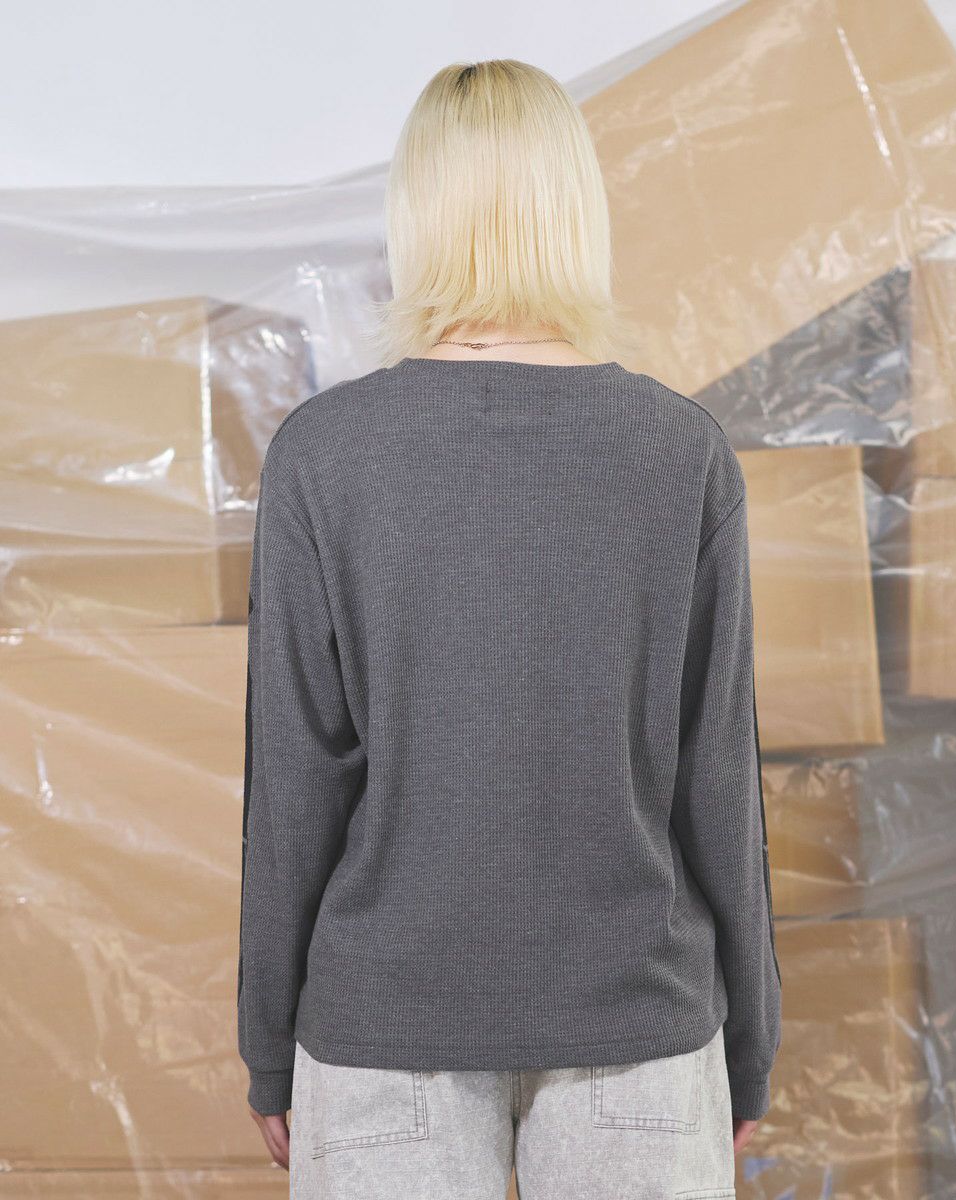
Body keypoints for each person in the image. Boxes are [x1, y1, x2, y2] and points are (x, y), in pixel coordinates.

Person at [237, 58, 781, 1199]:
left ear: (417, 214)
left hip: (385, 1028)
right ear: (573, 207)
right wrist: (750, 1045)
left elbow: (294, 779)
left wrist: (268, 1045)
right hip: (637, 1023)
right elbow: (719, 778)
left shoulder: (324, 455)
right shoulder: (678, 451)